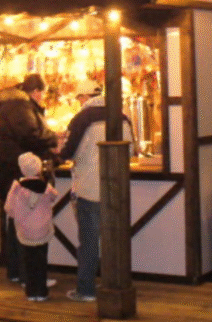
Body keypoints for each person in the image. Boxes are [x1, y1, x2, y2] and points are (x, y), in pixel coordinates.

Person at [56, 86, 133, 303]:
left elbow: (67, 152)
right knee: (115, 239)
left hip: (89, 187)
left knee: (89, 241)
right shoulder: (123, 117)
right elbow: (132, 150)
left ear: (84, 98)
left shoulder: (83, 118)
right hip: (117, 189)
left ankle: (86, 289)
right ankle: (114, 284)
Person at [0, 86, 57, 286]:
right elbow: (31, 137)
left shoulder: (7, 108)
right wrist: (52, 138)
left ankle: (16, 272)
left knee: (15, 223)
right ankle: (30, 277)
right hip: (16, 171)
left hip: (7, 171)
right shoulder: (19, 107)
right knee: (26, 225)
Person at [4, 152, 60, 302]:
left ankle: (30, 292)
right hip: (43, 230)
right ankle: (41, 292)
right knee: (41, 261)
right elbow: (54, 196)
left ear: (22, 169)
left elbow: (9, 208)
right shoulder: (46, 187)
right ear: (38, 169)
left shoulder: (16, 188)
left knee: (28, 261)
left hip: (24, 230)